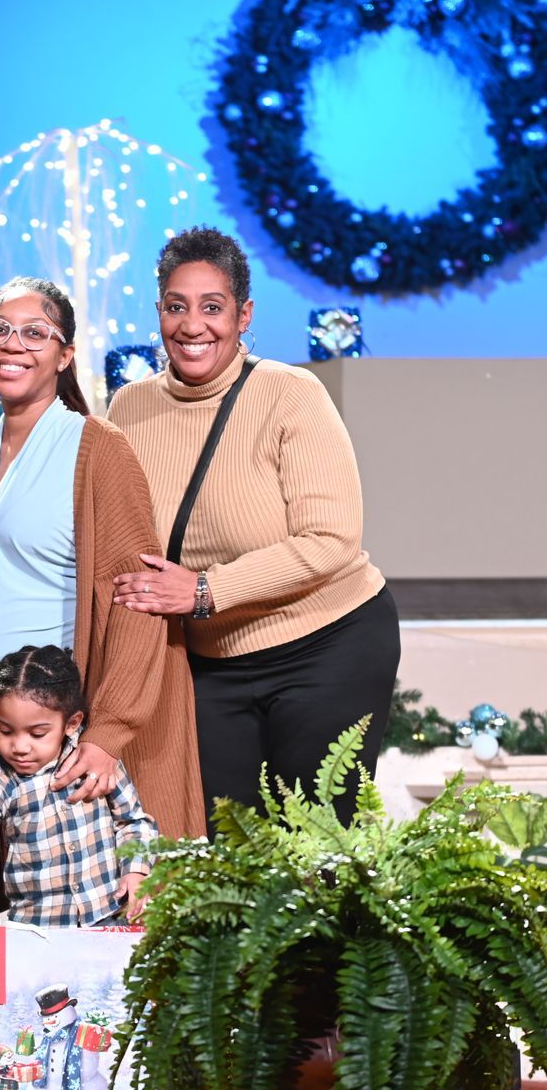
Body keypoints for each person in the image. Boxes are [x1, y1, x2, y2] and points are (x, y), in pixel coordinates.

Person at [108, 227, 399, 826]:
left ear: (243, 315)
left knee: (315, 846)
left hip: (326, 644)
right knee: (226, 847)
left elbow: (331, 540)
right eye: (176, 306)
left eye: (212, 307)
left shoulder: (291, 394)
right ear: (159, 311)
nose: (193, 325)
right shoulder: (128, 408)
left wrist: (204, 590)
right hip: (211, 662)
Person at [0, 277, 204, 840]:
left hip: (70, 729)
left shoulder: (96, 449)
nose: (13, 344)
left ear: (64, 356)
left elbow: (139, 599)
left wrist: (108, 732)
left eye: (35, 333)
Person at [0, 645, 158, 927]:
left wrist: (137, 871)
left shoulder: (95, 758)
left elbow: (133, 822)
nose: (19, 747)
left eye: (37, 733)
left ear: (71, 723)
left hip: (109, 914)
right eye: (5, 731)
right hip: (40, 927)